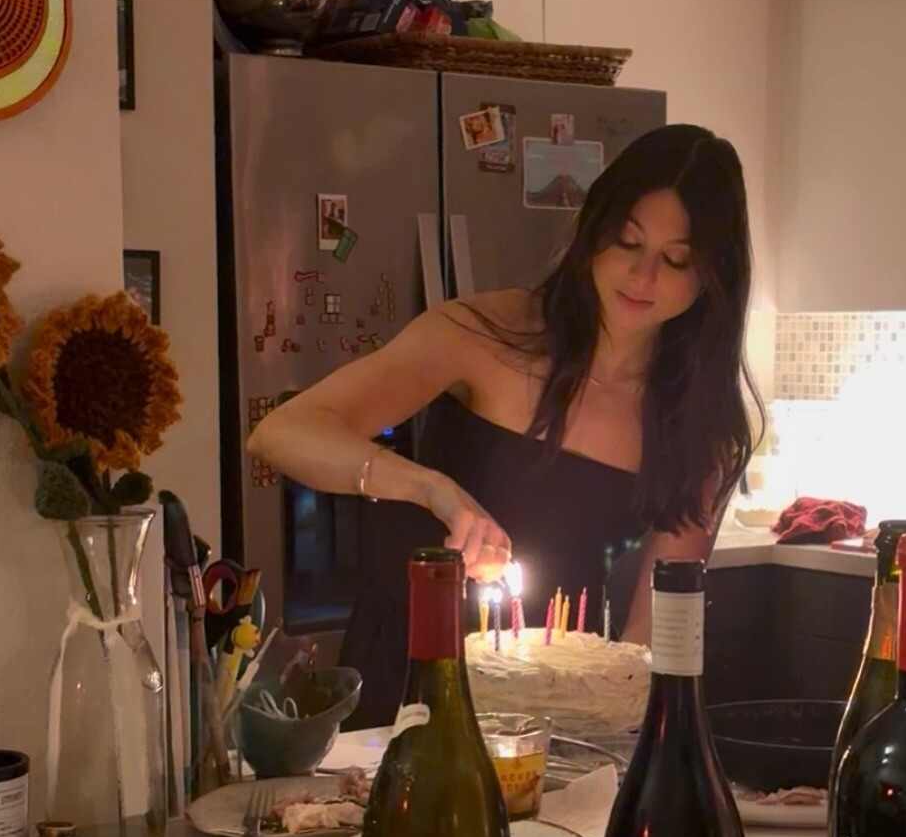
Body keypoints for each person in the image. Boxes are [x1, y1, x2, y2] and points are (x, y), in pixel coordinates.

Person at [248, 123, 763, 725]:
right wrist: (430, 488)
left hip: (549, 701)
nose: (642, 276)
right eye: (627, 242)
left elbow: (653, 637)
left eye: (675, 259)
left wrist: (617, 728)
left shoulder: (699, 427)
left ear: (712, 277)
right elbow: (282, 432)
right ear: (594, 228)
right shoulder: (488, 334)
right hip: (406, 666)